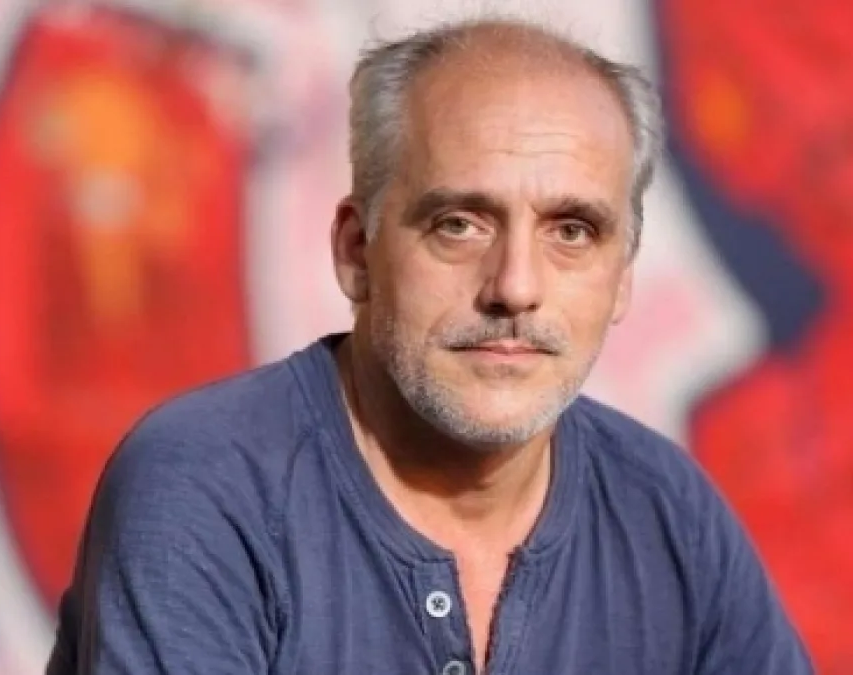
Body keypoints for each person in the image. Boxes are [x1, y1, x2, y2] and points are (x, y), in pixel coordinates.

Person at [46, 16, 814, 675]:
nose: (515, 286)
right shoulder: (210, 482)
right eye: (459, 225)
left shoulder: (667, 512)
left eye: (573, 231)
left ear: (621, 281)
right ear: (357, 251)